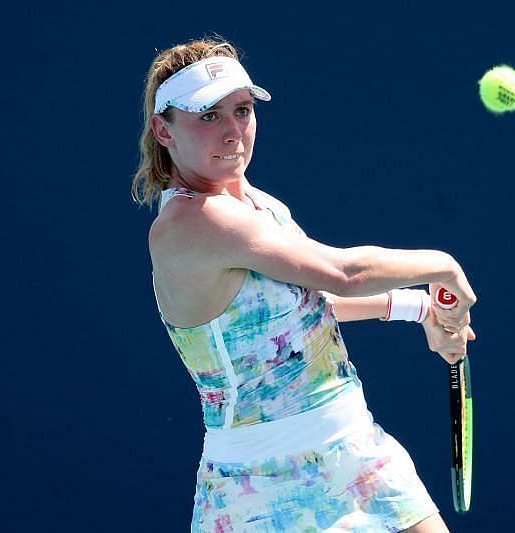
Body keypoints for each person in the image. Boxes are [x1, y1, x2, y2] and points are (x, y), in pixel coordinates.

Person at [132, 36, 477, 533]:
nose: (233, 132)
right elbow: (342, 272)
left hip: (356, 451)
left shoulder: (259, 206)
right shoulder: (188, 224)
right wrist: (442, 266)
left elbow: (303, 305)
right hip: (258, 486)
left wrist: (417, 309)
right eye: (208, 116)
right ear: (163, 130)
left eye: (243, 110)